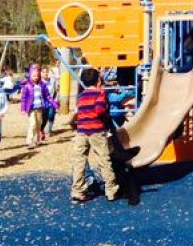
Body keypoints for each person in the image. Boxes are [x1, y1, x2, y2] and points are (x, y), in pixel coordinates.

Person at [70, 68, 120, 204]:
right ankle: (111, 190)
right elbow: (99, 110)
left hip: (82, 131)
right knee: (104, 159)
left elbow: (78, 112)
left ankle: (77, 191)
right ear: (98, 80)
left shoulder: (81, 96)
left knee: (79, 160)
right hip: (96, 131)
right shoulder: (100, 93)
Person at [20, 64, 59, 149]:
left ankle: (37, 140)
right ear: (30, 76)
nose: (36, 77)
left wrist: (55, 104)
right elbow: (23, 98)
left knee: (38, 125)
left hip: (40, 108)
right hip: (31, 109)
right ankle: (29, 141)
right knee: (33, 124)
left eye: (37, 76)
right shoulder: (27, 86)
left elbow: (48, 96)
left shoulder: (42, 85)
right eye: (34, 76)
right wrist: (23, 109)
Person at [39, 66, 59, 139]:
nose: (46, 73)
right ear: (40, 73)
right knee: (44, 118)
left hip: (51, 101)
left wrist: (56, 101)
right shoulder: (38, 82)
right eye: (43, 72)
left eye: (47, 72)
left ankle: (49, 130)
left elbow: (56, 91)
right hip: (42, 103)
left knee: (51, 115)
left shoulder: (53, 81)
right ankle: (41, 130)